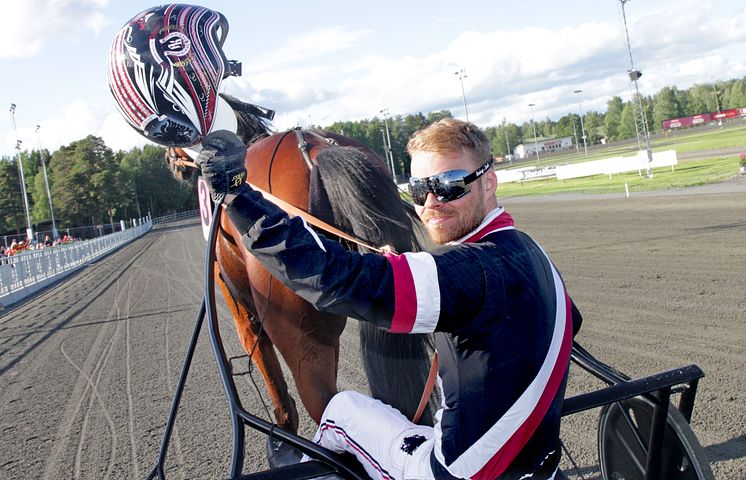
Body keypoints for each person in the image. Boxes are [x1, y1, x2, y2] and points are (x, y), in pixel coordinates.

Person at [196, 119, 582, 480]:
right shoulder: (534, 254)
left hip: (450, 473)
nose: (431, 203)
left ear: (489, 182)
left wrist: (238, 197)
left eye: (449, 184)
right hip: (540, 467)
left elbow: (335, 278)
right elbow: (569, 320)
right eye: (419, 189)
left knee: (342, 410)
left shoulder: (466, 272)